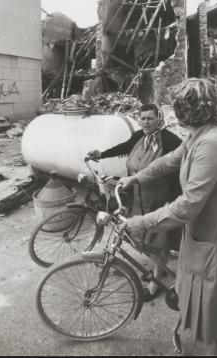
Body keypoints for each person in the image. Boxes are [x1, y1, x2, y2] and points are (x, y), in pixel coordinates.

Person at [118, 78, 217, 355]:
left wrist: (141, 222)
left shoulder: (211, 144)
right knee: (201, 309)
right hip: (202, 237)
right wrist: (136, 178)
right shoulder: (197, 136)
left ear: (184, 111)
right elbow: (168, 162)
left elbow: (188, 205)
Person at [87, 103, 182, 301]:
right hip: (139, 196)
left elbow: (179, 167)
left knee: (159, 238)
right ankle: (160, 266)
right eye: (143, 118)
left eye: (150, 118)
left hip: (160, 198)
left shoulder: (171, 141)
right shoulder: (140, 137)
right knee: (143, 235)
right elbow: (124, 148)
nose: (145, 122)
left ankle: (156, 281)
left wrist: (177, 198)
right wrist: (102, 154)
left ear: (159, 119)